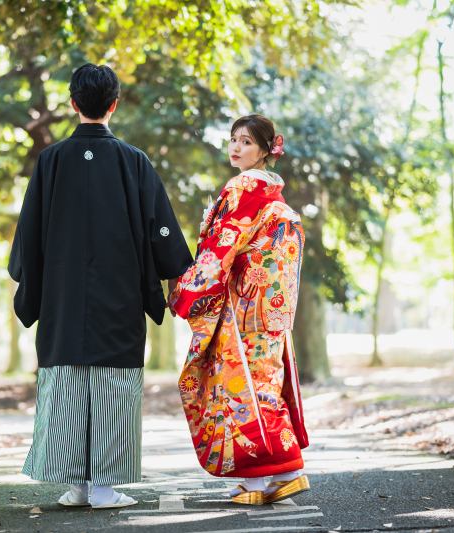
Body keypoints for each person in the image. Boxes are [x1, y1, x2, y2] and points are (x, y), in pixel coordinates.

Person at [8, 63, 193, 509]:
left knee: (67, 382)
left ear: (73, 104)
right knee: (114, 385)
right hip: (120, 295)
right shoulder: (134, 161)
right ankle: (105, 488)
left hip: (62, 296)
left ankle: (75, 486)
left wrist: (32, 284)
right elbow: (161, 233)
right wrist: (174, 279)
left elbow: (28, 237)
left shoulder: (50, 161)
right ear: (113, 104)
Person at [169, 113, 310, 505]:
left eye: (247, 142)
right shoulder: (274, 196)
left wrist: (187, 290)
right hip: (272, 307)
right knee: (262, 380)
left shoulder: (245, 187)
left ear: (267, 150)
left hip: (245, 305)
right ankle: (262, 479)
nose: (236, 147)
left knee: (243, 384)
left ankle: (283, 468)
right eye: (233, 139)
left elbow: (221, 248)